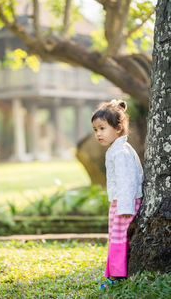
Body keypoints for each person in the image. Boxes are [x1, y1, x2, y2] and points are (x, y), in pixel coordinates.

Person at [91, 99, 143, 290]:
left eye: (102, 128)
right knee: (115, 236)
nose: (98, 134)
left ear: (118, 128)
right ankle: (115, 272)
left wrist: (125, 207)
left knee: (118, 237)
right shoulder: (117, 149)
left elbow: (126, 180)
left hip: (125, 202)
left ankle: (116, 275)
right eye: (96, 129)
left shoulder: (121, 151)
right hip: (120, 201)